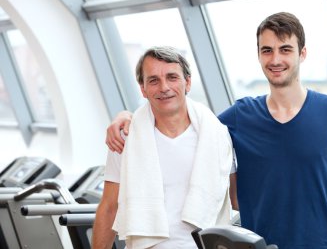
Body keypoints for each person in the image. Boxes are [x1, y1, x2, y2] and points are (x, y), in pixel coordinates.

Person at [105, 12, 327, 249]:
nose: (275, 59)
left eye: (285, 49)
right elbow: (182, 119)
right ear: (258, 56)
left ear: (302, 53)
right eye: (267, 50)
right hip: (256, 244)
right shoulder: (239, 116)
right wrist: (128, 116)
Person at [92, 46, 237, 249]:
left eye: (172, 77)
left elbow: (237, 199)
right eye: (153, 80)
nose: (164, 87)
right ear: (143, 88)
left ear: (187, 82)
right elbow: (109, 207)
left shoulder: (217, 136)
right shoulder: (126, 137)